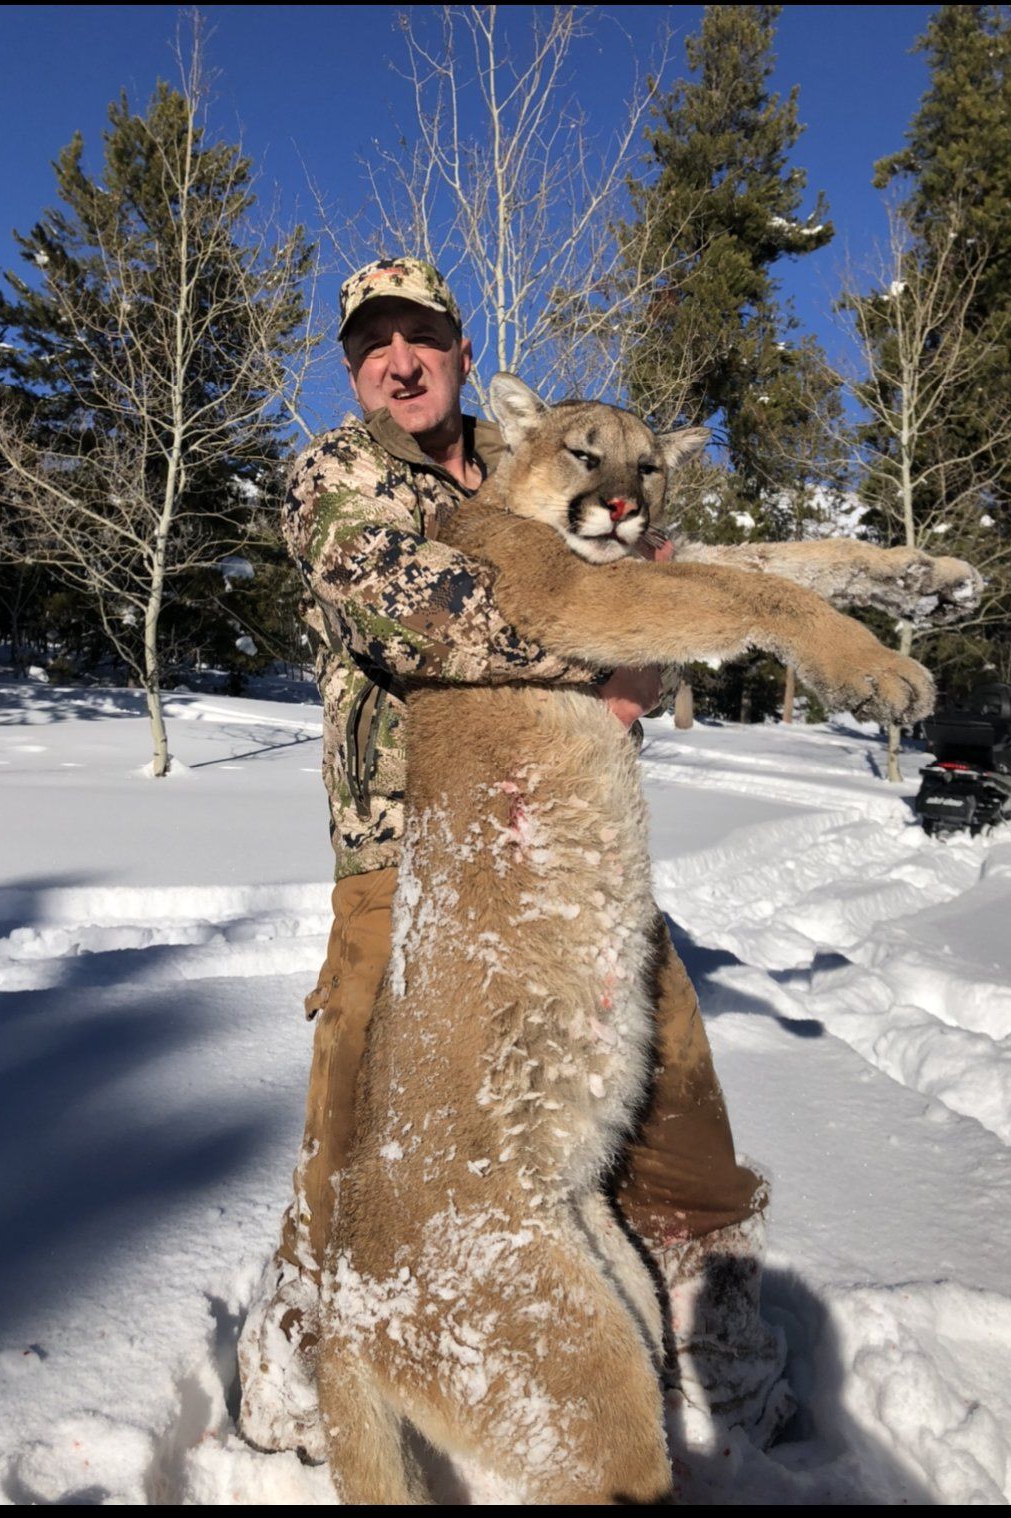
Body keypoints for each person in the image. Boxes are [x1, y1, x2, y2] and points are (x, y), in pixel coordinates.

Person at [237, 257, 790, 1463]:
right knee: (365, 1092)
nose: (400, 359)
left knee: (662, 1053)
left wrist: (666, 640)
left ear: (458, 347)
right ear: (350, 367)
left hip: (562, 820)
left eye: (419, 336)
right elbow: (414, 610)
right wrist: (605, 656)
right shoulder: (336, 475)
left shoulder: (541, 451)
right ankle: (309, 1320)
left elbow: (648, 584)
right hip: (410, 835)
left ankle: (706, 1304)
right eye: (374, 343)